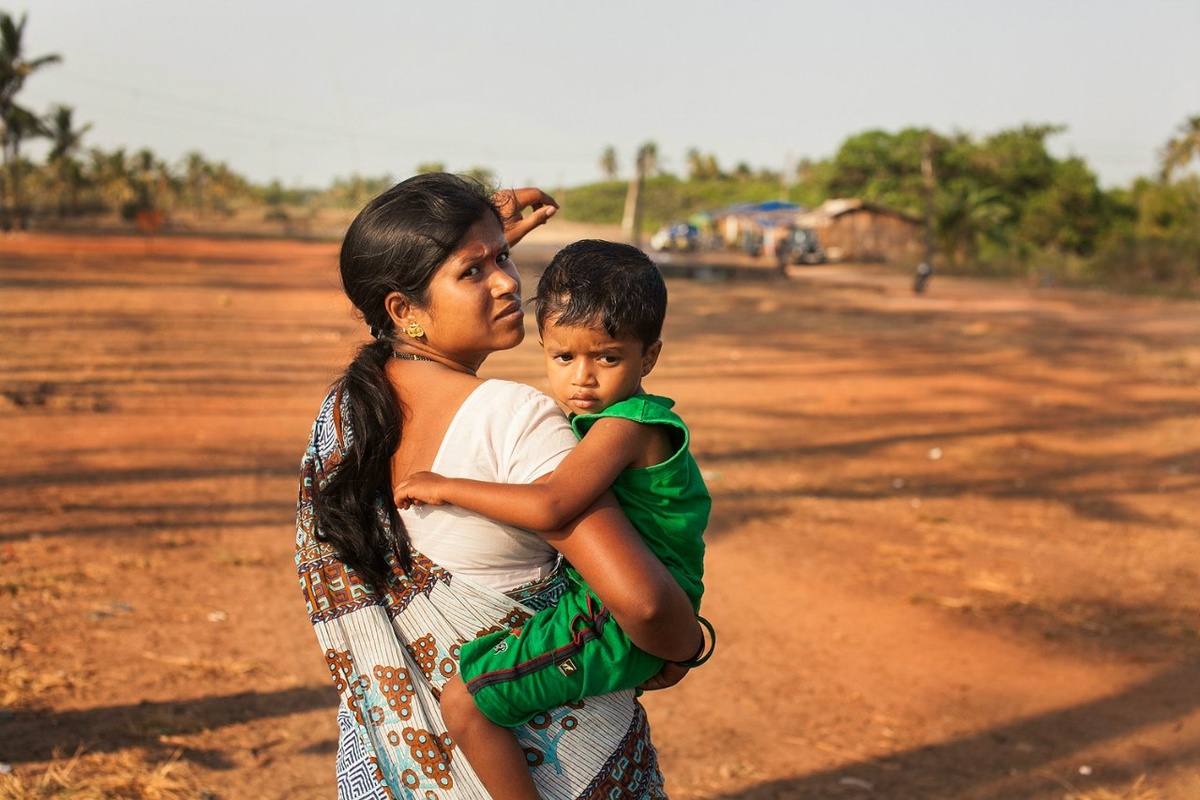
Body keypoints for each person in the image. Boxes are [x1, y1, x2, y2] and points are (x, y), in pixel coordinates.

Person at [295, 173, 704, 800]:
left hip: (394, 768)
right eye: (473, 272)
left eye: (504, 257)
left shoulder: (348, 412)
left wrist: (466, 244)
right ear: (402, 309)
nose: (510, 281)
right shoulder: (515, 418)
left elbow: (409, 286)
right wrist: (681, 648)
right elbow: (648, 607)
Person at [393, 240, 713, 800]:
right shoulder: (618, 421)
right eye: (564, 358)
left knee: (466, 702)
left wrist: (445, 487)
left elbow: (552, 506)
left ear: (650, 357)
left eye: (607, 358)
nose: (582, 379)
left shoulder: (628, 424)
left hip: (619, 613)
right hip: (626, 604)